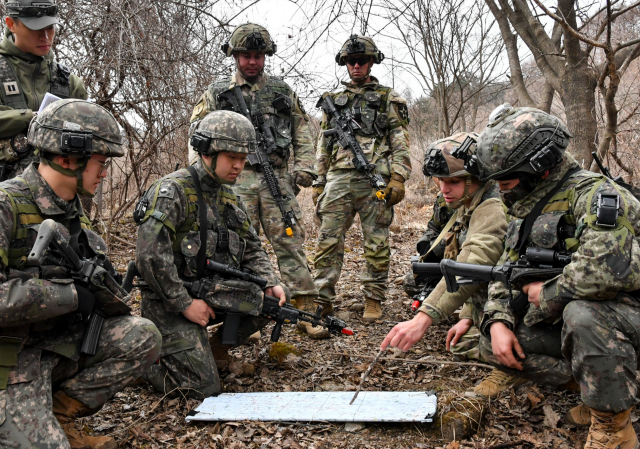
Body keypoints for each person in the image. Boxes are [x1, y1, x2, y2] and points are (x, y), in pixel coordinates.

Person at [473, 104, 640, 449]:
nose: (501, 190)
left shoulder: (597, 197)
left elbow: (605, 271)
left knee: (583, 314)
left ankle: (614, 427)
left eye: (507, 180)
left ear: (540, 169)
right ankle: (597, 388)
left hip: (627, 315)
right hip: (600, 322)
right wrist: (498, 321)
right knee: (491, 342)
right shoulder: (528, 205)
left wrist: (547, 294)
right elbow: (508, 267)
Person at [0, 99, 161, 449]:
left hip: (55, 346)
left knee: (142, 336)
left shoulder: (74, 211)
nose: (104, 173)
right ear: (68, 157)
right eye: (101, 163)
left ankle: (59, 415)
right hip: (11, 358)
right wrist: (68, 296)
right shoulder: (6, 205)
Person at [135, 110, 286, 399]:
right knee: (204, 390)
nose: (239, 167)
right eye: (232, 158)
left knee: (269, 301)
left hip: (212, 296)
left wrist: (269, 281)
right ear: (208, 152)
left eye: (243, 159)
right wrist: (185, 303)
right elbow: (150, 256)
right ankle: (143, 366)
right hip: (169, 305)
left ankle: (214, 354)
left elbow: (252, 247)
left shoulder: (229, 196)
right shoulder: (173, 191)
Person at [189, 23, 319, 338]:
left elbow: (302, 129)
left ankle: (306, 309)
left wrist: (304, 167)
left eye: (258, 56)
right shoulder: (217, 93)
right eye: (246, 55)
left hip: (276, 178)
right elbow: (197, 133)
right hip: (235, 180)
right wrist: (201, 175)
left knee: (290, 241)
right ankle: (248, 312)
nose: (252, 62)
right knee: (237, 246)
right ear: (235, 56)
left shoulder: (281, 91)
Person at [381, 132, 521, 397]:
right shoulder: (469, 198)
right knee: (459, 343)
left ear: (478, 178)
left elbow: (473, 262)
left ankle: (526, 370)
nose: (444, 189)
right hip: (497, 295)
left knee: (492, 347)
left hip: (519, 300)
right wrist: (468, 315)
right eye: (439, 181)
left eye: (453, 182)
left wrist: (423, 319)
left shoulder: (492, 206)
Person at [312, 34, 411, 327]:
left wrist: (399, 177)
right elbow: (323, 143)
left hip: (374, 179)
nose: (356, 66)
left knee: (376, 241)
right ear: (345, 63)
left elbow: (400, 141)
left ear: (371, 62)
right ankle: (322, 298)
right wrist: (319, 180)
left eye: (362, 61)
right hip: (338, 179)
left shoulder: (389, 98)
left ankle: (373, 297)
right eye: (351, 61)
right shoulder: (332, 101)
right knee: (327, 240)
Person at [0, 0, 87, 181]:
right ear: (11, 24)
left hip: (56, 200)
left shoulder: (69, 83)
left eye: (50, 28)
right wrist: (31, 118)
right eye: (35, 29)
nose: (45, 37)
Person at [401, 193, 453, 299]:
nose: (444, 187)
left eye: (454, 181)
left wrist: (439, 248)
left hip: (469, 261)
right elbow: (433, 228)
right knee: (411, 282)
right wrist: (426, 248)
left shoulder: (485, 199)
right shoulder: (443, 198)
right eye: (440, 179)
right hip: (444, 260)